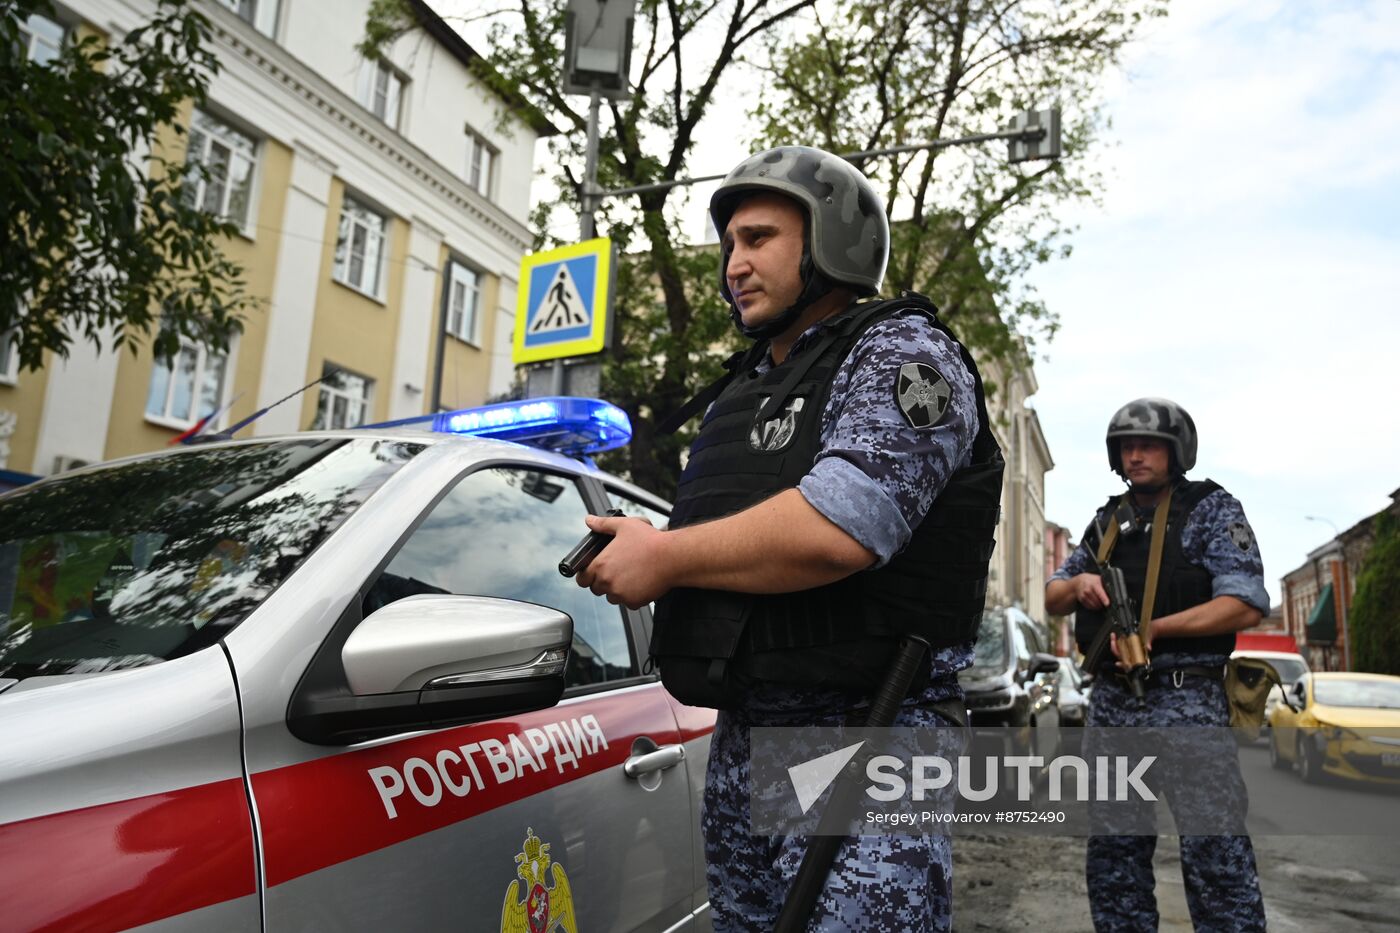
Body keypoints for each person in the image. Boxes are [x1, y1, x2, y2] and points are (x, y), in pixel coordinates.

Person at [573, 145, 1004, 931]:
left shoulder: (902, 352)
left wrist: (663, 555)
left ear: (831, 242)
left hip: (866, 737)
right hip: (746, 741)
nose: (734, 265)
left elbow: (846, 522)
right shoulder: (748, 387)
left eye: (759, 238)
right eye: (730, 244)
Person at [1045, 397, 1269, 932]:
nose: (1136, 455)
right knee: (1114, 849)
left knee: (1214, 846)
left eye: (1147, 445)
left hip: (1185, 697)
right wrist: (1078, 584)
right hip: (1114, 702)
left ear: (1176, 452)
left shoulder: (1211, 510)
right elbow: (1054, 595)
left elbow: (1245, 602)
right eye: (1126, 446)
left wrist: (1155, 630)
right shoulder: (1108, 521)